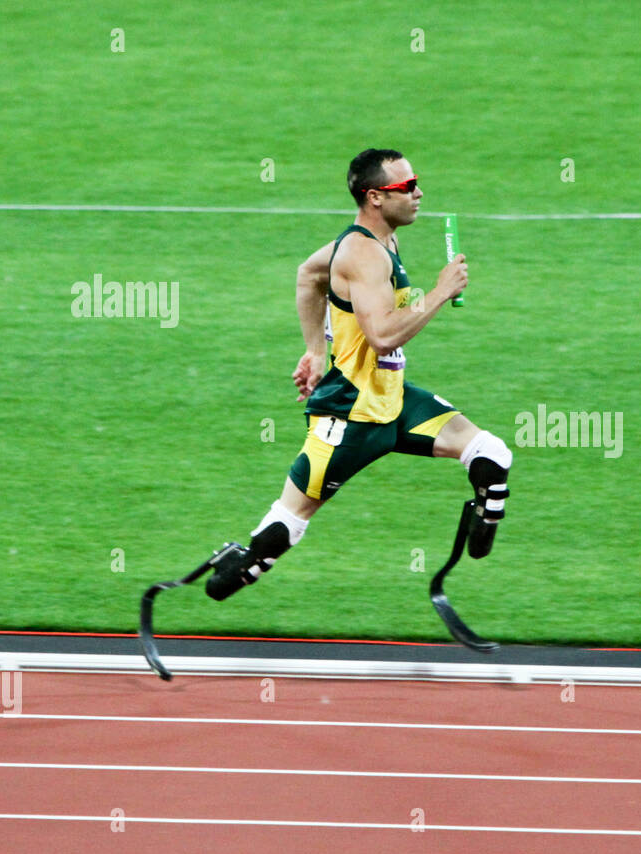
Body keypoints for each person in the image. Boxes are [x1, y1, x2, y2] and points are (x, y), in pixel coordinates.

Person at [203, 148, 512, 600]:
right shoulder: (362, 255)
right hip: (351, 417)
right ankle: (240, 566)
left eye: (416, 182)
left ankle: (479, 538)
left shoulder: (382, 240)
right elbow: (385, 335)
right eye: (406, 187)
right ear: (375, 198)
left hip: (393, 400)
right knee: (290, 519)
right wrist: (442, 290)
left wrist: (314, 350)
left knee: (492, 455)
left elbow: (309, 274)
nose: (418, 193)